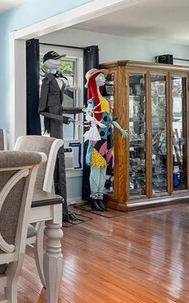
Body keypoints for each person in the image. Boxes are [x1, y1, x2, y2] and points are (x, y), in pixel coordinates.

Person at [38, 51, 83, 222]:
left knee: (61, 167)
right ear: (47, 62)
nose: (58, 62)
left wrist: (80, 110)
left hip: (60, 125)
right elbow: (42, 111)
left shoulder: (60, 79)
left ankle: (64, 209)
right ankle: (61, 210)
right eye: (55, 59)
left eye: (59, 60)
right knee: (58, 166)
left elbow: (60, 107)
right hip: (53, 128)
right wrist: (63, 119)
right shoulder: (46, 82)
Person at [83, 68, 128, 211]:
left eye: (103, 77)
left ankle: (100, 196)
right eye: (100, 76)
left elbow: (110, 119)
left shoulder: (106, 101)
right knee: (96, 169)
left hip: (107, 137)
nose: (103, 79)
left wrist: (120, 128)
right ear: (93, 80)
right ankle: (94, 198)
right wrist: (97, 122)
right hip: (97, 137)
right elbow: (87, 117)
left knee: (103, 169)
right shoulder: (92, 100)